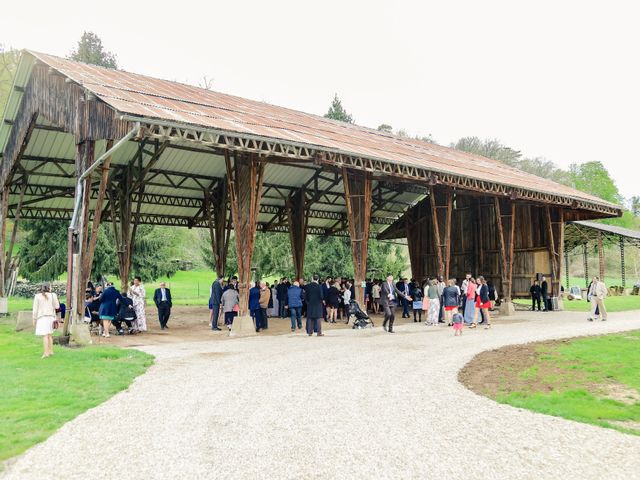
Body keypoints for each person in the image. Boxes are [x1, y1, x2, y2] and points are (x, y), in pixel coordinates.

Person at [32, 284, 60, 358]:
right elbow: (57, 306)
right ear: (49, 288)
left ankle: (46, 353)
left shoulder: (37, 296)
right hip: (51, 317)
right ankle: (51, 351)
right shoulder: (53, 295)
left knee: (45, 336)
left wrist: (34, 318)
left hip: (42, 318)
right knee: (50, 335)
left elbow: (35, 309)